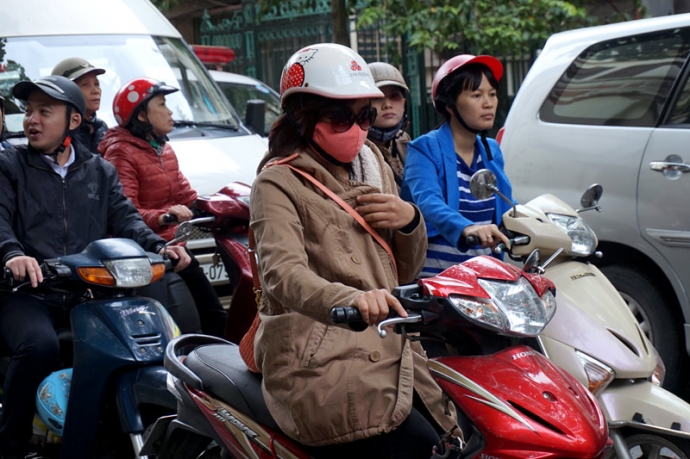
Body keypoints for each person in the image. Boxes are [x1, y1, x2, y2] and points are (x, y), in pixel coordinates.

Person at [249, 43, 459, 459]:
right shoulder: (276, 183)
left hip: (391, 340)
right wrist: (352, 299)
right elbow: (282, 274)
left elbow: (403, 273)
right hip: (322, 353)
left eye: (365, 115)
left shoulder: (374, 166)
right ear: (303, 116)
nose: (358, 129)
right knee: (416, 444)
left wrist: (409, 221)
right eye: (342, 117)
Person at [0, 75, 190, 459]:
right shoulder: (9, 165)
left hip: (87, 292)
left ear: (73, 121)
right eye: (29, 111)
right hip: (26, 293)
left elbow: (126, 219)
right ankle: (11, 446)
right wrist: (12, 254)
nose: (32, 120)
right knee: (39, 345)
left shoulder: (100, 170)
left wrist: (159, 246)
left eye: (44, 111)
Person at [99, 77, 227, 338]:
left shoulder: (163, 149)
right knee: (187, 326)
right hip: (145, 255)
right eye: (161, 104)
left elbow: (186, 194)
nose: (170, 112)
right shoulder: (121, 151)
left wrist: (223, 207)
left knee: (215, 314)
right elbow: (123, 211)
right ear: (141, 115)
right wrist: (163, 216)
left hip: (175, 247)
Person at [401, 54, 513, 277]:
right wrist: (467, 227)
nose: (488, 103)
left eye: (492, 94)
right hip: (437, 279)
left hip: (487, 279)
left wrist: (539, 219)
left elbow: (507, 204)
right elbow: (428, 201)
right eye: (477, 95)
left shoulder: (491, 149)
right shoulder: (424, 149)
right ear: (450, 105)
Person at [51, 57, 108, 153]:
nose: (96, 91)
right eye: (85, 85)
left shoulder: (101, 127)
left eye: (96, 84)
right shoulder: (57, 133)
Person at [367, 62, 410, 186]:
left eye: (394, 96)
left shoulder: (403, 139)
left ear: (404, 103)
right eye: (377, 97)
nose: (387, 105)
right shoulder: (357, 148)